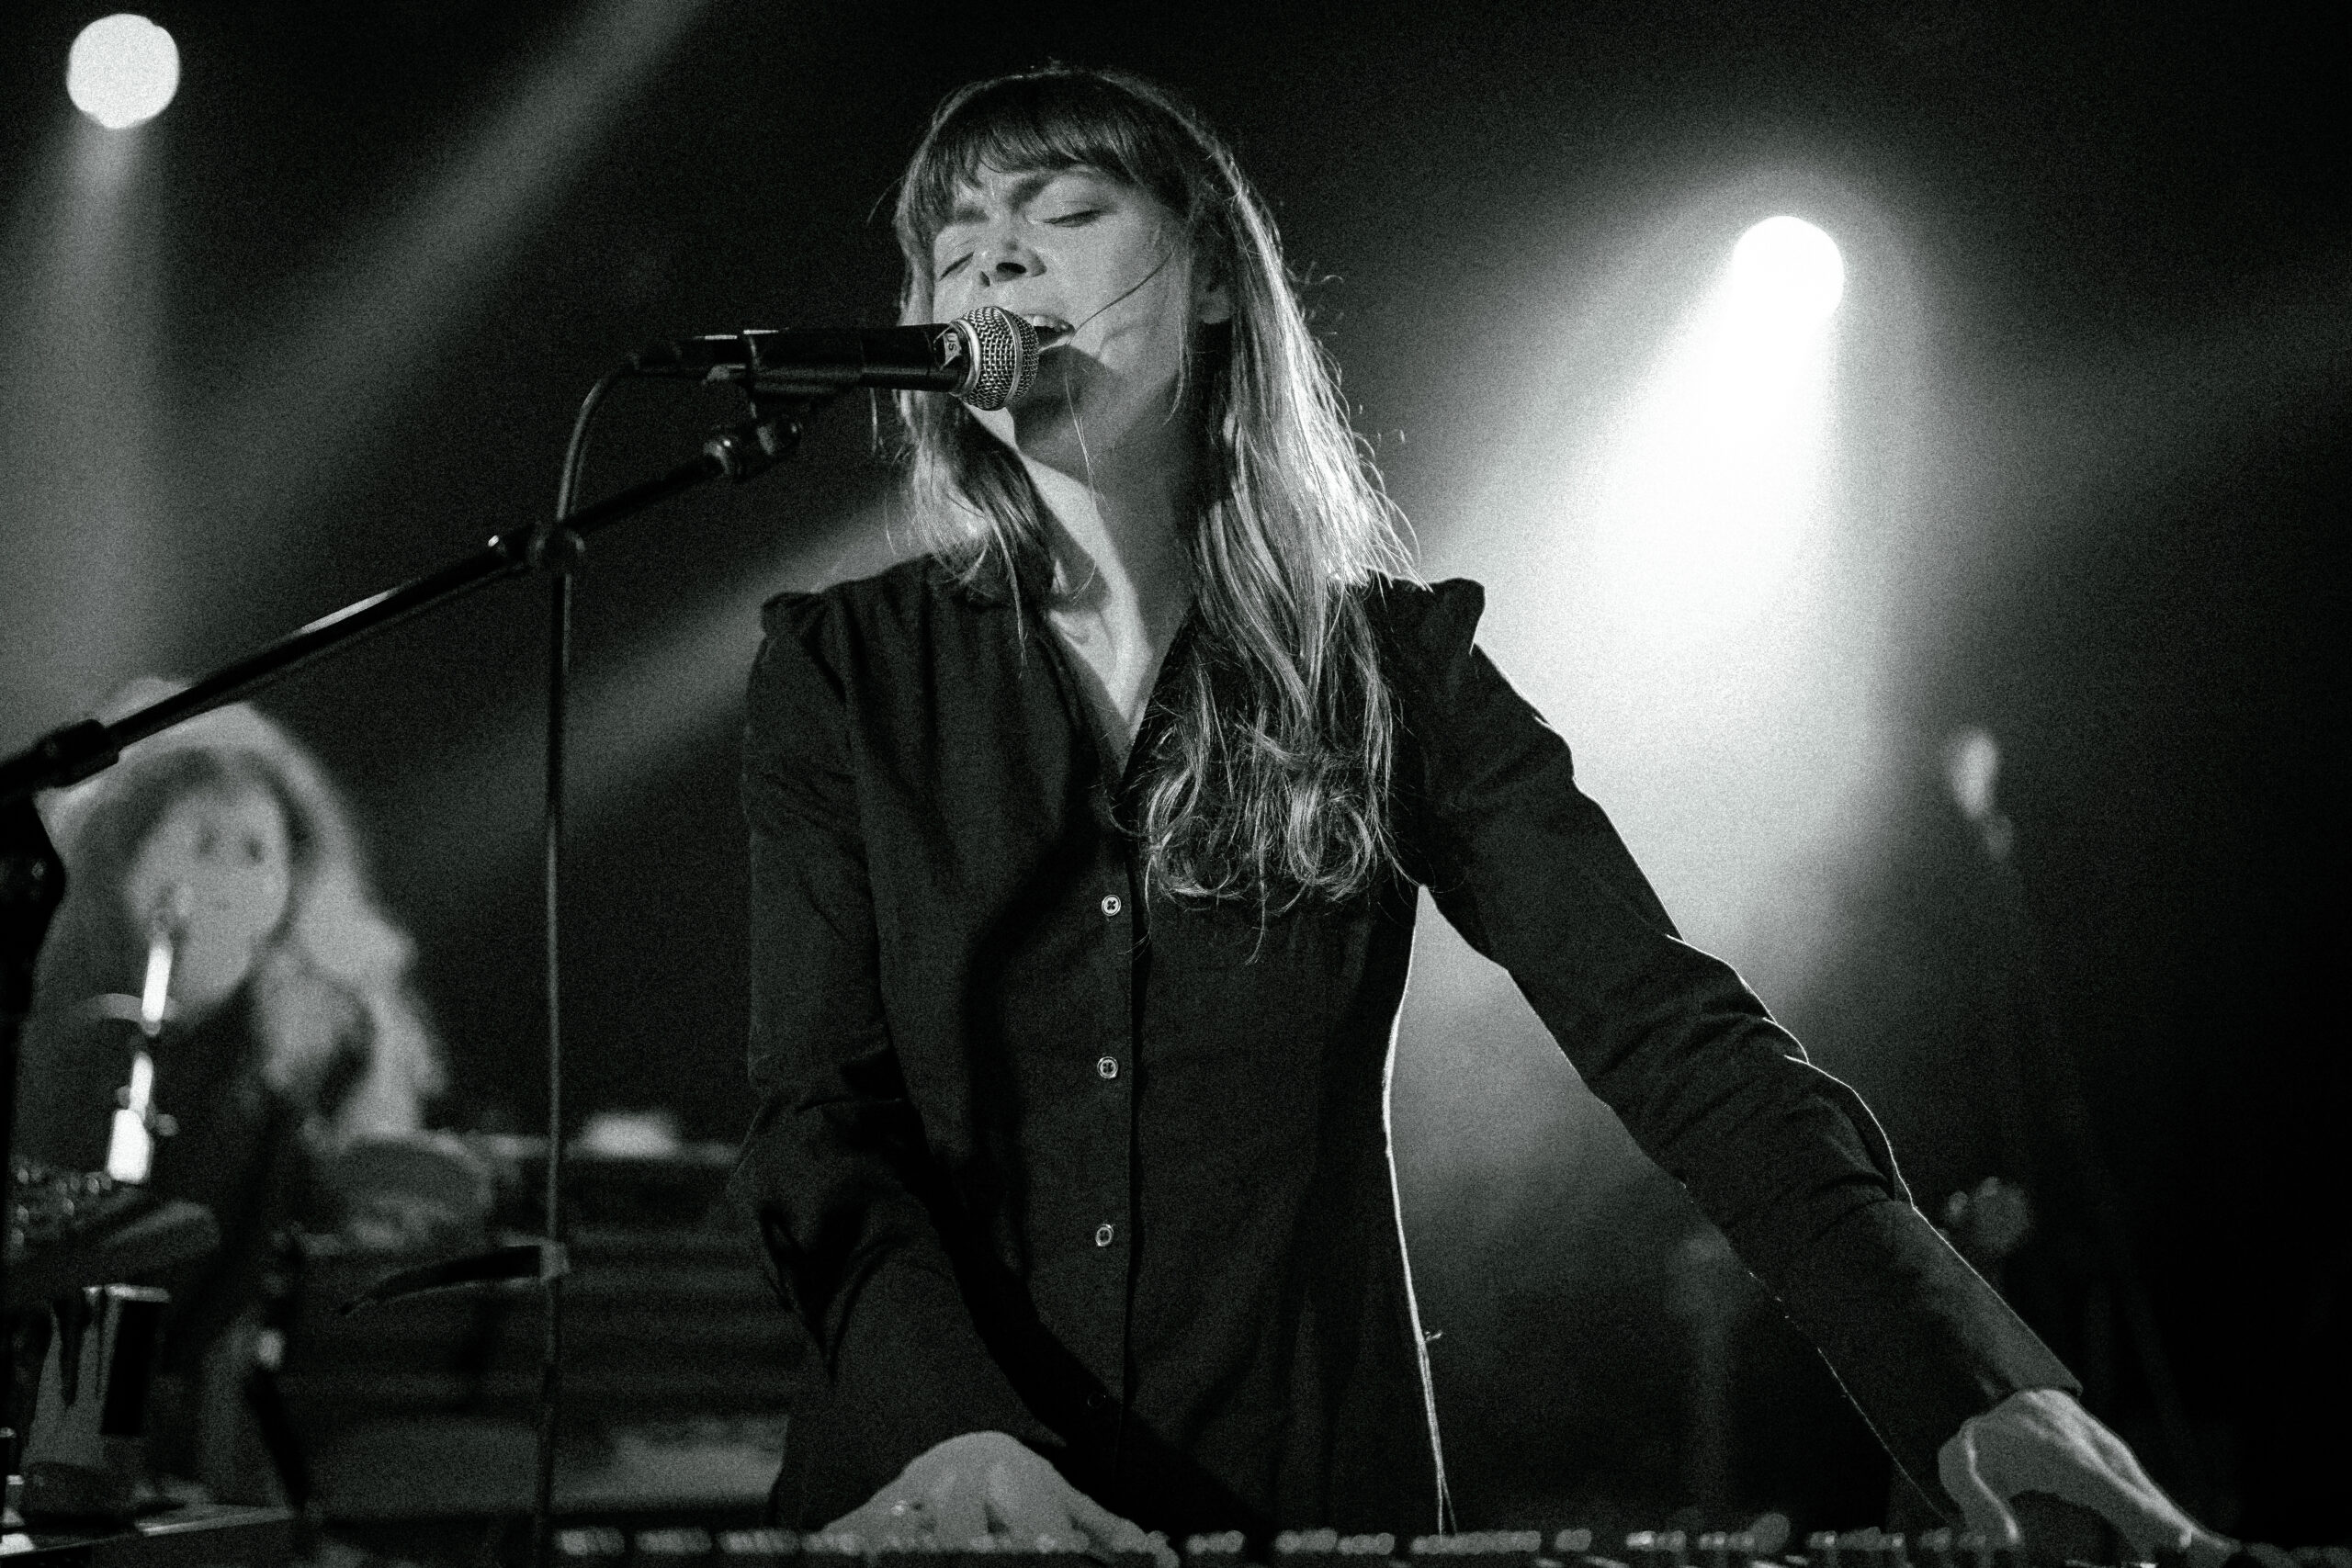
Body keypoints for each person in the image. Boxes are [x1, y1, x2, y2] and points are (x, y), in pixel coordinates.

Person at [729, 66, 2229, 1560]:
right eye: (956, 243)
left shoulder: (1396, 670)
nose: (994, 259)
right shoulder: (844, 674)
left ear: (1214, 285)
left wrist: (1971, 1381)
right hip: (929, 1506)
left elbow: (1675, 1034)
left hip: (1295, 1504)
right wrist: (948, 1425)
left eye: (1062, 211)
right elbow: (820, 1119)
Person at [15, 685, 447, 1499]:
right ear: (121, 861)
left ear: (292, 880)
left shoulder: (311, 1047)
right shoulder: (53, 1022)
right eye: (200, 844)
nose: (223, 879)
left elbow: (338, 1234)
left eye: (254, 852)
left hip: (207, 1450)